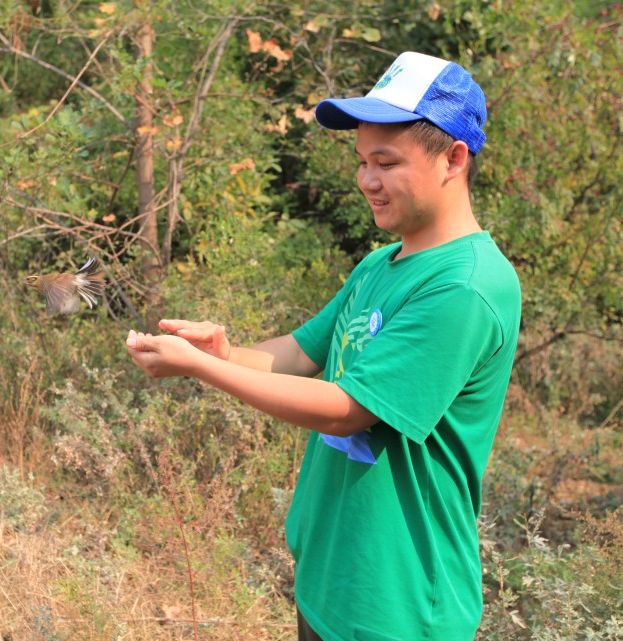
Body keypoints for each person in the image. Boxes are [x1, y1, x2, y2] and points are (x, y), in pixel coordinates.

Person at [125, 51, 521, 641]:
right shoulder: (381, 264)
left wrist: (204, 373)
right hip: (336, 579)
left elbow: (345, 410)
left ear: (453, 158)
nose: (367, 180)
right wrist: (220, 353)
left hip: (400, 603)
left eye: (386, 162)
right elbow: (301, 352)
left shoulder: (465, 288)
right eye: (362, 161)